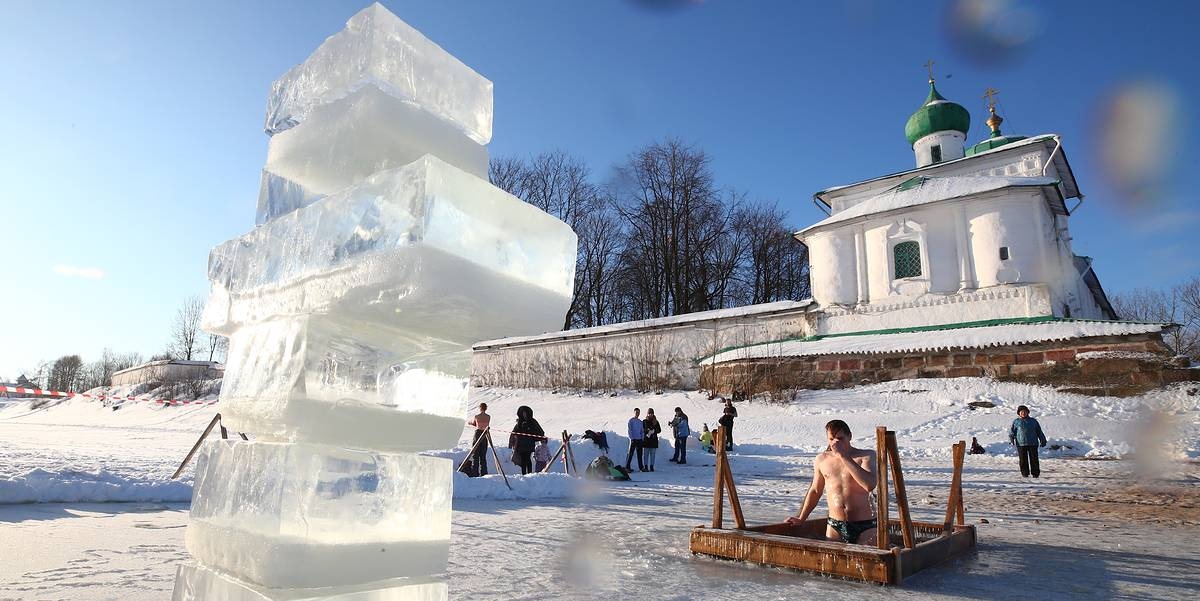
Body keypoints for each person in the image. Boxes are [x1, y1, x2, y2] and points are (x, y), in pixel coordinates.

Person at [786, 420, 878, 546]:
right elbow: (815, 491)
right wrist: (801, 518)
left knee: (867, 563)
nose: (835, 443)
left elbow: (869, 484)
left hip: (864, 524)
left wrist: (844, 456)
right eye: (831, 439)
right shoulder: (822, 459)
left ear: (850, 436)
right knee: (833, 563)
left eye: (840, 438)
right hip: (835, 524)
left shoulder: (866, 456)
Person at [1009, 405, 1047, 478]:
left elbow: (1039, 431)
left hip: (1033, 443)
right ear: (1019, 413)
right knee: (1023, 460)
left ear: (1028, 412)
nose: (1023, 413)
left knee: (1034, 459)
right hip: (1021, 443)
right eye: (1021, 412)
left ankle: (1035, 473)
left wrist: (1043, 439)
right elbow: (1012, 432)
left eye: (1025, 412)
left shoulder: (1033, 421)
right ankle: (1024, 473)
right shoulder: (1016, 422)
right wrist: (1011, 440)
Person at [509, 405, 546, 475]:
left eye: (525, 413)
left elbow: (539, 431)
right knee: (523, 460)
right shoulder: (519, 422)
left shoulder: (532, 421)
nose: (524, 414)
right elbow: (514, 432)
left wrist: (531, 432)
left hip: (529, 444)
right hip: (521, 444)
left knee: (528, 459)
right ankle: (524, 474)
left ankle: (529, 473)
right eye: (523, 413)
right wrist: (512, 442)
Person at [465, 403, 491, 477]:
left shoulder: (477, 416)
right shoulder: (488, 417)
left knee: (475, 455)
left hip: (477, 434)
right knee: (483, 456)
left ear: (480, 408)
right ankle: (484, 473)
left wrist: (469, 422)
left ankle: (475, 473)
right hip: (485, 435)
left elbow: (475, 424)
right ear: (486, 408)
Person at [625, 408, 646, 472]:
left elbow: (642, 431)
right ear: (634, 412)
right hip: (633, 440)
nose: (637, 413)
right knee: (630, 454)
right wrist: (632, 438)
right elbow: (629, 430)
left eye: (638, 412)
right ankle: (627, 467)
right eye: (636, 412)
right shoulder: (631, 420)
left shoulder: (640, 422)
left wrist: (642, 438)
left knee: (640, 454)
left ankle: (641, 467)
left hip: (639, 440)